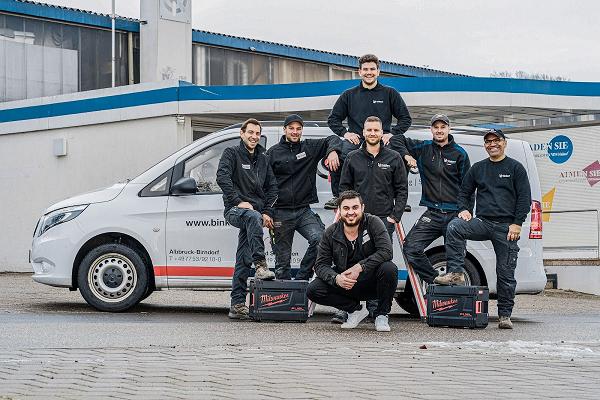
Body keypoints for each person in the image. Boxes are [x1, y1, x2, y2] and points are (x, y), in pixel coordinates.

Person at [442, 129, 532, 329]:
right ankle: (456, 272)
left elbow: (524, 198)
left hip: (506, 227)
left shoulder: (515, 168)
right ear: (485, 146)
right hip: (483, 222)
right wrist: (464, 209)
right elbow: (464, 192)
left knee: (505, 274)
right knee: (455, 226)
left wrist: (517, 223)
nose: (492, 144)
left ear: (504, 143)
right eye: (488, 142)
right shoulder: (478, 168)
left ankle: (504, 316)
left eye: (496, 140)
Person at [338, 115, 407, 322]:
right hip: (356, 221)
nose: (372, 133)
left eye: (376, 130)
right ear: (363, 132)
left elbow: (402, 190)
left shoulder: (394, 157)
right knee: (350, 260)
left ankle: (376, 309)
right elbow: (344, 188)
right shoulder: (353, 157)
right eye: (369, 130)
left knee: (380, 262)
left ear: (382, 132)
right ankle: (348, 307)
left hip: (384, 220)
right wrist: (348, 214)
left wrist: (394, 217)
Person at [389, 114, 471, 285]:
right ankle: (435, 279)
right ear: (431, 129)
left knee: (455, 260)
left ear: (449, 129)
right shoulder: (423, 148)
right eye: (436, 127)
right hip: (432, 213)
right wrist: (407, 155)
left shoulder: (460, 154)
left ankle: (455, 287)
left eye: (443, 127)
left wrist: (467, 211)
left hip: (455, 213)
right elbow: (396, 139)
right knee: (410, 247)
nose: (439, 130)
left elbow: (468, 187)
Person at [325, 53, 412, 209]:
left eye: (372, 69)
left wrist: (391, 134)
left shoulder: (390, 93)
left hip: (382, 139)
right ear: (360, 72)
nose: (369, 72)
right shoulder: (349, 95)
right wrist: (346, 133)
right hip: (356, 140)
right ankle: (339, 197)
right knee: (338, 156)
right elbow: (333, 119)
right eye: (365, 69)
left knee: (400, 156)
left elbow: (405, 119)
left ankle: (397, 199)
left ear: (378, 71)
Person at [307, 190, 398, 332]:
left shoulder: (373, 222)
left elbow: (386, 251)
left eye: (355, 207)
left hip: (371, 282)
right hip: (346, 284)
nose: (351, 212)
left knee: (389, 269)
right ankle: (355, 310)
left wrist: (360, 267)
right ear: (339, 210)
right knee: (313, 289)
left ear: (362, 208)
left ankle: (381, 314)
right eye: (346, 208)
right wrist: (336, 278)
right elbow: (320, 265)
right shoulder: (330, 232)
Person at [266, 114, 342, 281]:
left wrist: (332, 151)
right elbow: (264, 185)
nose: (295, 132)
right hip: (280, 213)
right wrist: (267, 212)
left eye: (298, 129)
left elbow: (333, 138)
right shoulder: (272, 153)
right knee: (282, 263)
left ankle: (302, 279)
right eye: (291, 128)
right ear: (284, 130)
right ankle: (285, 293)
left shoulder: (309, 148)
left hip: (303, 211)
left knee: (321, 240)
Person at [216, 118, 278, 320]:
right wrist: (238, 201)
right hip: (234, 210)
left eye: (257, 133)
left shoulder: (263, 158)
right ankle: (260, 264)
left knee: (243, 258)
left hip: (255, 215)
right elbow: (222, 177)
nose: (254, 136)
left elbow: (272, 187)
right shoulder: (231, 153)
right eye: (250, 132)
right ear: (242, 133)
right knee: (252, 216)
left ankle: (237, 305)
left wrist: (267, 212)